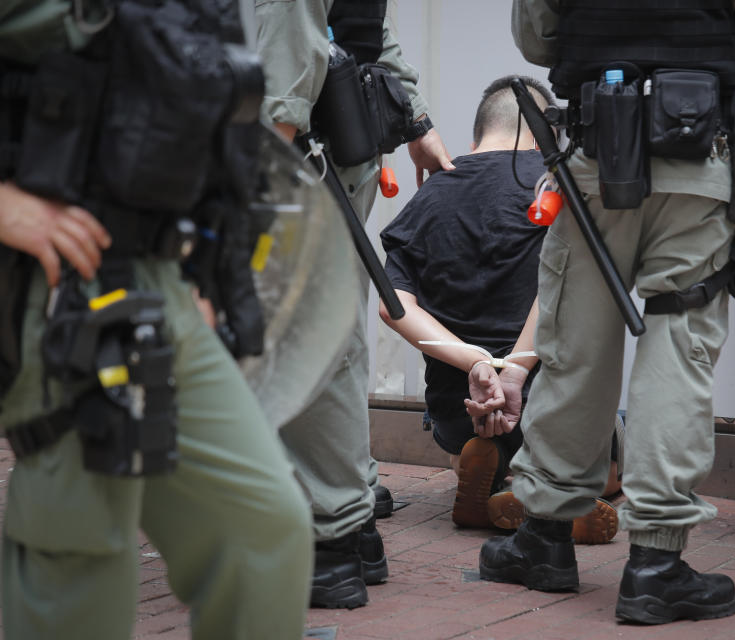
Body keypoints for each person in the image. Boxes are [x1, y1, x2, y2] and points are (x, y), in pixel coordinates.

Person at [476, 0, 735, 625]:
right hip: (699, 153)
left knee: (575, 345)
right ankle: (657, 567)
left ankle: (545, 539)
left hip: (593, 156)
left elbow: (537, 36)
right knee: (677, 344)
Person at [0, 1, 318, 638]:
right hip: (54, 281)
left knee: (262, 529)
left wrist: (202, 265)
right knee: (83, 560)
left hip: (160, 280)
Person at [256, 0, 455, 609]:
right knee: (328, 331)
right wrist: (417, 121)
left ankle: (331, 537)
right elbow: (368, 24)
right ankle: (354, 520)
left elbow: (291, 49)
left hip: (295, 151)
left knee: (305, 337)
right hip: (334, 145)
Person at [379, 75, 622, 542]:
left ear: (477, 134)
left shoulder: (429, 194)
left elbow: (394, 309)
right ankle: (544, 493)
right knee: (615, 464)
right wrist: (513, 367)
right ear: (541, 134)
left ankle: (478, 474)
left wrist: (478, 362)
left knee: (468, 444)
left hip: (461, 408)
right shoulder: (553, 186)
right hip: (541, 403)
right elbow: (569, 288)